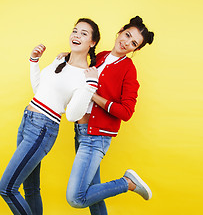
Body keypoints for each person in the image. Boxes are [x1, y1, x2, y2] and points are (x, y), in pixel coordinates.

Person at [0, 18, 100, 215]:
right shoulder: (60, 60)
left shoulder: (86, 75)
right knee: (30, 189)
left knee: (7, 188)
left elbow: (72, 115)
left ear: (93, 42)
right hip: (27, 120)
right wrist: (34, 61)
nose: (76, 35)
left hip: (43, 128)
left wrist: (90, 86)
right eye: (75, 30)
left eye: (83, 33)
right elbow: (40, 90)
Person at [65, 16, 154, 214]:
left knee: (77, 197)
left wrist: (95, 97)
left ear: (135, 50)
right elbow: (81, 73)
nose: (126, 42)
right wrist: (67, 58)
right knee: (93, 194)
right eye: (127, 35)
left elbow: (126, 112)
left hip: (97, 137)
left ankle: (127, 183)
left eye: (133, 43)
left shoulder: (128, 69)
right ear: (121, 31)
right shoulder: (102, 56)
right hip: (81, 130)